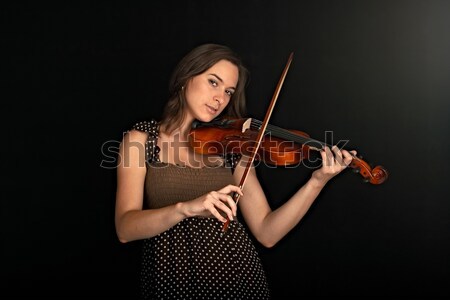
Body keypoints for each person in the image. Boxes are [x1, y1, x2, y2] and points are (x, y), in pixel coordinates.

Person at [115, 43, 355, 299]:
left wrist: (317, 181)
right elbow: (125, 228)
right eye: (213, 82)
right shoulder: (141, 140)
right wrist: (183, 208)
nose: (221, 98)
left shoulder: (231, 148)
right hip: (172, 279)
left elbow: (267, 233)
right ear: (186, 78)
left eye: (228, 91)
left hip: (238, 279)